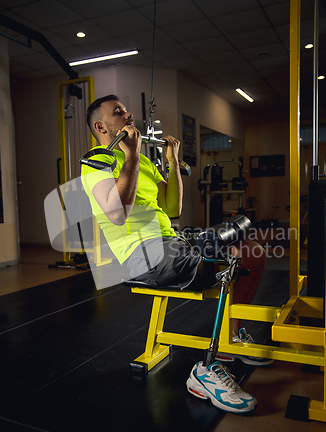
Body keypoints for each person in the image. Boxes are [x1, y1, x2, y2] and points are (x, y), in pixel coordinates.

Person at [81, 94, 270, 414]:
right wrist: (130, 155)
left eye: (126, 109)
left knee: (250, 249)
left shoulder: (141, 161)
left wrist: (171, 159)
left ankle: (231, 337)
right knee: (220, 259)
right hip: (141, 253)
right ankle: (205, 370)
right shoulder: (97, 160)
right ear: (101, 125)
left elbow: (174, 208)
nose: (129, 115)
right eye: (119, 112)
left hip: (173, 239)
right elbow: (116, 214)